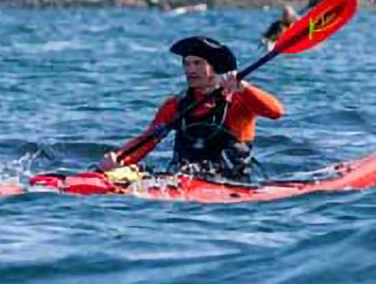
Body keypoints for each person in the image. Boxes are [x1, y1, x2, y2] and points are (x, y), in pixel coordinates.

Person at [97, 36, 284, 179]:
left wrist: (245, 88)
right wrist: (118, 160)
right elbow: (147, 140)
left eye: (197, 63)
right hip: (179, 178)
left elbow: (276, 112)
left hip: (231, 182)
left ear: (216, 68)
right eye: (186, 63)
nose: (190, 70)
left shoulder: (239, 100)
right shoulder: (175, 105)